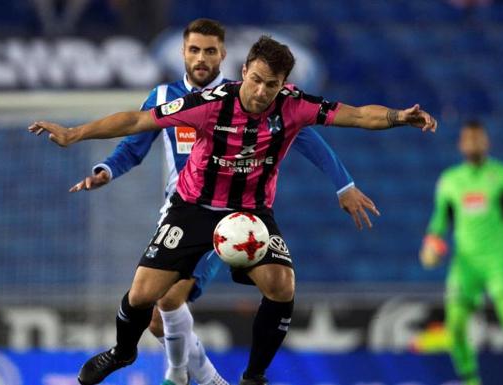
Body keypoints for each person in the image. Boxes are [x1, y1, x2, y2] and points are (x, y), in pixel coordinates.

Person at [29, 35, 437, 385]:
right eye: (256, 80)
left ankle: (253, 377)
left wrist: (399, 117)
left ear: (284, 84)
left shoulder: (294, 106)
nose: (261, 92)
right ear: (244, 71)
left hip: (251, 214)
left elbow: (356, 115)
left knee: (282, 285)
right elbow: (138, 120)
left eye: (271, 85)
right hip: (192, 208)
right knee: (142, 295)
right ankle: (122, 352)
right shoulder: (209, 104)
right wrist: (74, 132)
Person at [419, 120, 503, 385]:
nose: (473, 143)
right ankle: (470, 380)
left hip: (499, 262)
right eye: (468, 139)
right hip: (465, 265)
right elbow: (438, 223)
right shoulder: (450, 181)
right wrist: (430, 244)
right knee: (456, 326)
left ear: (487, 142)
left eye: (478, 138)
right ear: (460, 144)